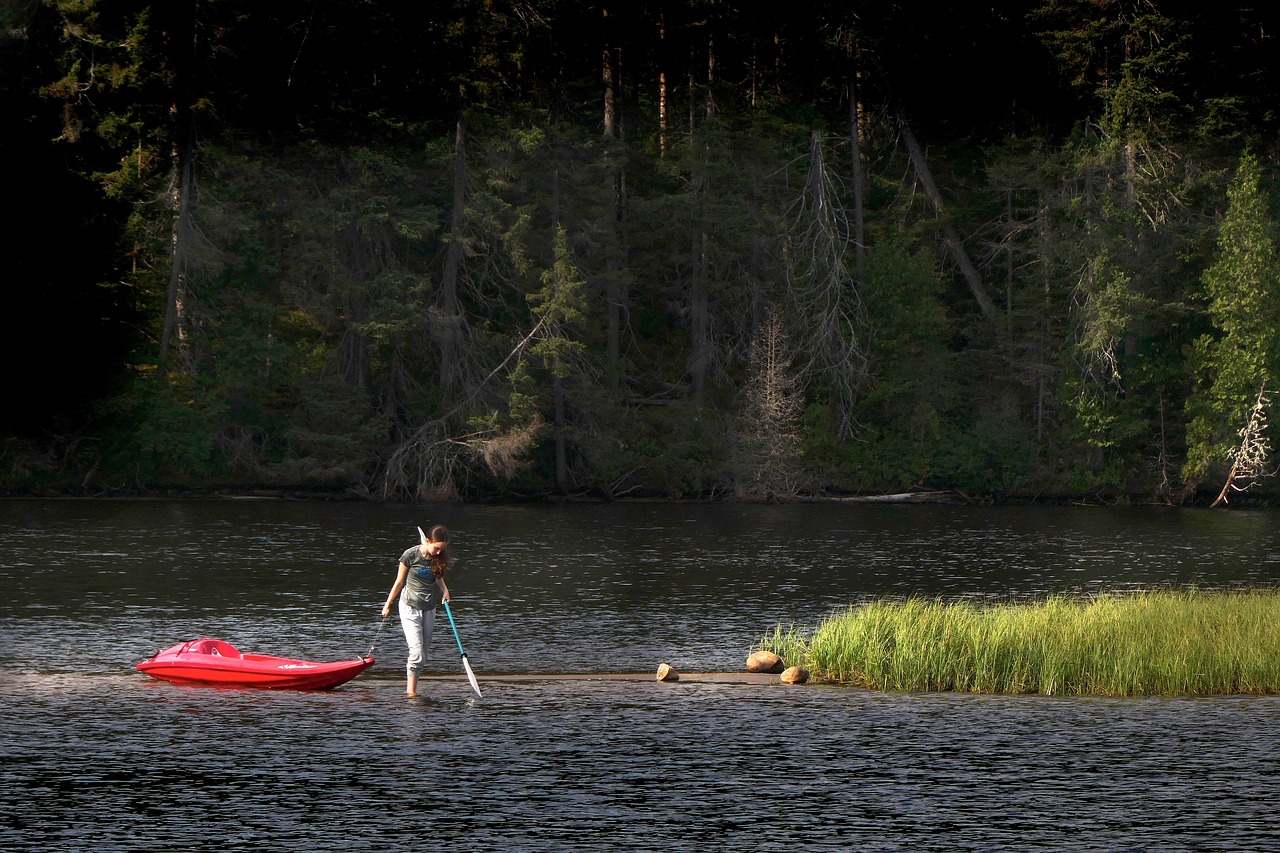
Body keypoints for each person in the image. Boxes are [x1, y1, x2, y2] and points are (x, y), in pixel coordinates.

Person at [382, 524, 452, 697]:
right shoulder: (410, 555)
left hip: (429, 608)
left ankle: (413, 689)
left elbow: (438, 578)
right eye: (436, 548)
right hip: (409, 607)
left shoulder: (438, 557)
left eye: (441, 549)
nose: (438, 552)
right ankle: (411, 693)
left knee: (424, 654)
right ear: (427, 541)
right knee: (417, 652)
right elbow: (399, 582)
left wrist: (445, 591)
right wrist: (388, 604)